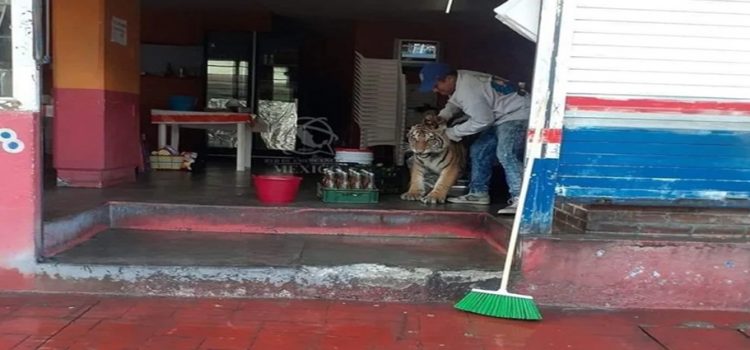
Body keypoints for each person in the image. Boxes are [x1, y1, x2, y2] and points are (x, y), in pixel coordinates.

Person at [418, 63, 531, 214]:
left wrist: (451, 133)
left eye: (436, 85)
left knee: (505, 152)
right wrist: (442, 117)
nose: (434, 90)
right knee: (479, 150)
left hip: (517, 114)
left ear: (449, 78)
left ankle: (521, 199)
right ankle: (478, 193)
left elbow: (483, 120)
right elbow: (454, 102)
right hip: (500, 115)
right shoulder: (461, 78)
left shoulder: (468, 90)